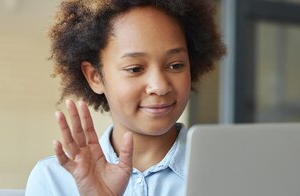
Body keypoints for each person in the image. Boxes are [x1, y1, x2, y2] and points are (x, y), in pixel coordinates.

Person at [25, 0, 225, 195]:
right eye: (135, 68)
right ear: (95, 77)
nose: (160, 86)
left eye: (175, 65)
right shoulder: (53, 180)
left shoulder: (226, 172)